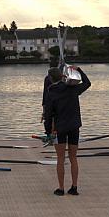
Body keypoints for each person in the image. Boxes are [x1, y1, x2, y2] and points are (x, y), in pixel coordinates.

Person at [45, 66, 91, 196]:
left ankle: (61, 188)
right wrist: (79, 70)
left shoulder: (51, 93)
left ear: (50, 79)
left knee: (60, 158)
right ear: (62, 76)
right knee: (73, 157)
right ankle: (74, 187)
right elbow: (88, 83)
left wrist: (48, 131)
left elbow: (48, 115)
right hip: (74, 126)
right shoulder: (73, 89)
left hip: (60, 128)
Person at [42, 67, 59, 145]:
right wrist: (44, 106)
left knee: (53, 120)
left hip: (56, 102)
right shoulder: (47, 79)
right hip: (49, 100)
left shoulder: (62, 79)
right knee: (48, 119)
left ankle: (54, 136)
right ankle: (50, 136)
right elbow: (45, 92)